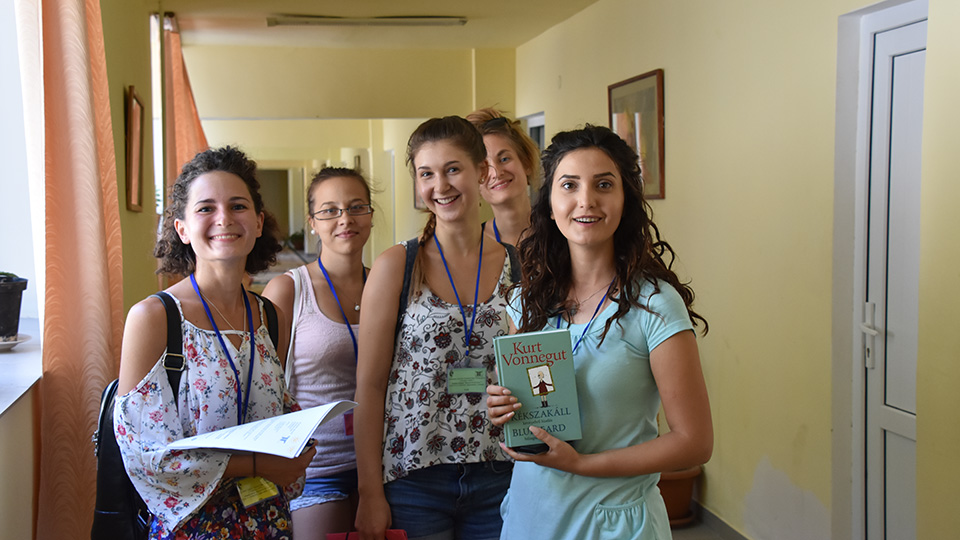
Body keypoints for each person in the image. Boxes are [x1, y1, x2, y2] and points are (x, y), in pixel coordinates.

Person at [486, 125, 713, 539]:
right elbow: (528, 405)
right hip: (532, 515)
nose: (586, 200)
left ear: (626, 200)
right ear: (550, 204)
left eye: (604, 185)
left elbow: (694, 442)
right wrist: (503, 406)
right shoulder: (526, 299)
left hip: (613, 523)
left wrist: (583, 465)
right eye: (569, 185)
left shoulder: (654, 305)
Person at [115, 146, 316, 539]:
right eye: (206, 208)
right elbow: (143, 453)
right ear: (182, 228)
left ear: (258, 222)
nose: (224, 218)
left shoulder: (270, 316)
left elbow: (273, 413)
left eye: (238, 206)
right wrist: (256, 465)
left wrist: (298, 441)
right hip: (193, 528)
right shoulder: (155, 318)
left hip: (267, 519)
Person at [353, 116, 516, 540]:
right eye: (426, 173)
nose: (440, 186)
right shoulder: (397, 266)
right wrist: (369, 492)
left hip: (501, 471)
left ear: (481, 171)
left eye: (453, 169)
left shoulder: (518, 267)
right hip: (414, 476)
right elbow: (369, 386)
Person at [262, 167, 374, 538]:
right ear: (312, 222)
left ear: (370, 215)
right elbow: (266, 390)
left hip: (385, 464)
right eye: (330, 210)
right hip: (315, 468)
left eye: (356, 207)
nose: (345, 219)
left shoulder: (388, 283)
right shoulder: (288, 290)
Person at [466, 108, 540, 247]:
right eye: (484, 166)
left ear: (526, 163)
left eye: (504, 159)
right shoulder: (471, 247)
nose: (496, 173)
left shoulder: (563, 233)